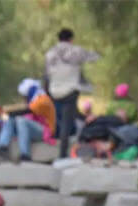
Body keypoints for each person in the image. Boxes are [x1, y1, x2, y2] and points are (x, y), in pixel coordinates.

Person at [45, 28, 99, 158]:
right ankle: (62, 155)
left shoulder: (50, 53)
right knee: (66, 123)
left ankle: (65, 148)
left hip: (54, 91)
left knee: (58, 118)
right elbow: (93, 57)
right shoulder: (76, 51)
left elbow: (47, 74)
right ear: (71, 39)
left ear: (58, 38)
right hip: (70, 91)